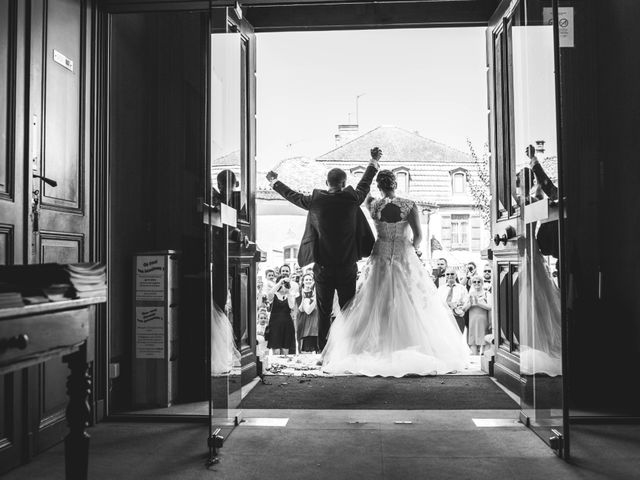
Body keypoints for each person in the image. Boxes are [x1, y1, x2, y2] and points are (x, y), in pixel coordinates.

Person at [321, 170, 469, 377]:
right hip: (403, 256)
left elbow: (362, 197)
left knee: (375, 304)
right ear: (395, 184)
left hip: (380, 256)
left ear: (379, 186)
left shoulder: (372, 205)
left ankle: (371, 348)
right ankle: (411, 346)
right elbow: (418, 236)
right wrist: (411, 246)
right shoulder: (409, 205)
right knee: (411, 302)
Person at [267, 147, 381, 351]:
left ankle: (323, 351)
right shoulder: (352, 198)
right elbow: (365, 182)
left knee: (324, 310)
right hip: (347, 267)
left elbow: (292, 196)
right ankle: (348, 349)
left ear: (327, 183)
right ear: (344, 183)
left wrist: (275, 182)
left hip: (323, 268)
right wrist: (373, 160)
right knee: (347, 310)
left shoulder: (315, 201)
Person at [265, 274, 297, 355]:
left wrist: (288, 291)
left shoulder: (289, 295)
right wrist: (280, 282)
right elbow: (270, 294)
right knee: (276, 351)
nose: (283, 286)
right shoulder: (274, 296)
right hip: (275, 325)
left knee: (285, 351)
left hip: (287, 325)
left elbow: (291, 306)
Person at [464, 275, 492, 355]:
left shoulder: (486, 293)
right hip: (472, 321)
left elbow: (490, 307)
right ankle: (475, 358)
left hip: (483, 320)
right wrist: (470, 304)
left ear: (482, 283)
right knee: (473, 341)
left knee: (485, 339)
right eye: (474, 282)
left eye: (478, 281)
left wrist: (478, 303)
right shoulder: (469, 294)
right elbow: (464, 309)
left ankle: (485, 359)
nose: (477, 283)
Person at [438, 267, 468, 334]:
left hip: (457, 317)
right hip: (444, 317)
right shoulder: (440, 289)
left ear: (456, 275)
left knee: (458, 337)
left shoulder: (462, 288)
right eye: (448, 274)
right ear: (445, 276)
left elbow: (466, 302)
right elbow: (437, 302)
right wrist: (448, 303)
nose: (450, 276)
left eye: (452, 274)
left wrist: (458, 305)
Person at [296, 273, 319, 353]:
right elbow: (304, 309)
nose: (308, 281)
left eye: (310, 279)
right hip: (304, 321)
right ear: (303, 281)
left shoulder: (314, 293)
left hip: (315, 323)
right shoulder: (299, 293)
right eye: (306, 279)